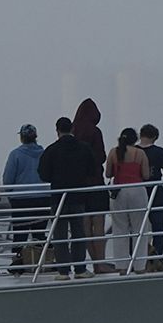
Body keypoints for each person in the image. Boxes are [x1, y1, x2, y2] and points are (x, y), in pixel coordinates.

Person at [34, 115, 99, 280]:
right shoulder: (84, 148)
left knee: (60, 235)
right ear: (72, 129)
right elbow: (93, 170)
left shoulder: (51, 150)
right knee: (79, 233)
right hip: (78, 197)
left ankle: (63, 271)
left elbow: (43, 174)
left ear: (57, 131)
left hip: (58, 197)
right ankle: (80, 269)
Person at [1, 123, 50, 271]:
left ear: (21, 138)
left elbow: (8, 179)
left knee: (20, 235)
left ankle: (18, 263)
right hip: (43, 199)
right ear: (35, 137)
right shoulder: (44, 154)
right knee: (39, 234)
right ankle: (42, 263)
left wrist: (11, 194)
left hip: (21, 200)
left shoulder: (15, 155)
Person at [71, 98, 112, 273]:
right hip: (95, 183)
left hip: (79, 185)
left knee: (85, 226)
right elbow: (101, 156)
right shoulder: (95, 132)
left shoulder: (73, 132)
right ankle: (100, 263)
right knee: (99, 225)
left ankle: (94, 262)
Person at [105, 127, 153, 273]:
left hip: (119, 192)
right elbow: (146, 175)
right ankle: (140, 266)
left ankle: (121, 266)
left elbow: (108, 174)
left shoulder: (113, 152)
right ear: (135, 139)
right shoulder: (140, 153)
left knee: (119, 229)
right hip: (137, 191)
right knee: (140, 229)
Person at [138, 124, 163, 272]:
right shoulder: (159, 152)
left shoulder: (133, 151)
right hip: (155, 193)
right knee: (158, 229)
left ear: (141, 135)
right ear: (155, 137)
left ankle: (138, 258)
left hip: (137, 192)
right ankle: (157, 258)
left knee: (136, 229)